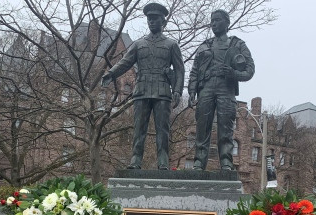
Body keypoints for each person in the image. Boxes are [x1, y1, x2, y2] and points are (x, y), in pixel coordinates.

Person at [102, 2, 184, 170]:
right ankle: (135, 160)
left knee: (163, 130)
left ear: (163, 21)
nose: (151, 22)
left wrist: (177, 90)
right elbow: (125, 62)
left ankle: (163, 161)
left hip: (162, 91)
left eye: (155, 19)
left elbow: (180, 70)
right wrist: (111, 73)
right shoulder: (139, 44)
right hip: (142, 90)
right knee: (139, 128)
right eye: (149, 19)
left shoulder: (171, 45)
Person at [188, 9, 255, 171]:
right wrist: (191, 90)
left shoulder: (237, 44)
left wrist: (234, 74)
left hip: (226, 88)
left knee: (226, 126)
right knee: (202, 125)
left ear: (227, 23)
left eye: (217, 20)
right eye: (212, 21)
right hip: (206, 88)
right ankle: (199, 162)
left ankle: (226, 161)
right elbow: (195, 70)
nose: (214, 24)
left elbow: (250, 70)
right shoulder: (205, 45)